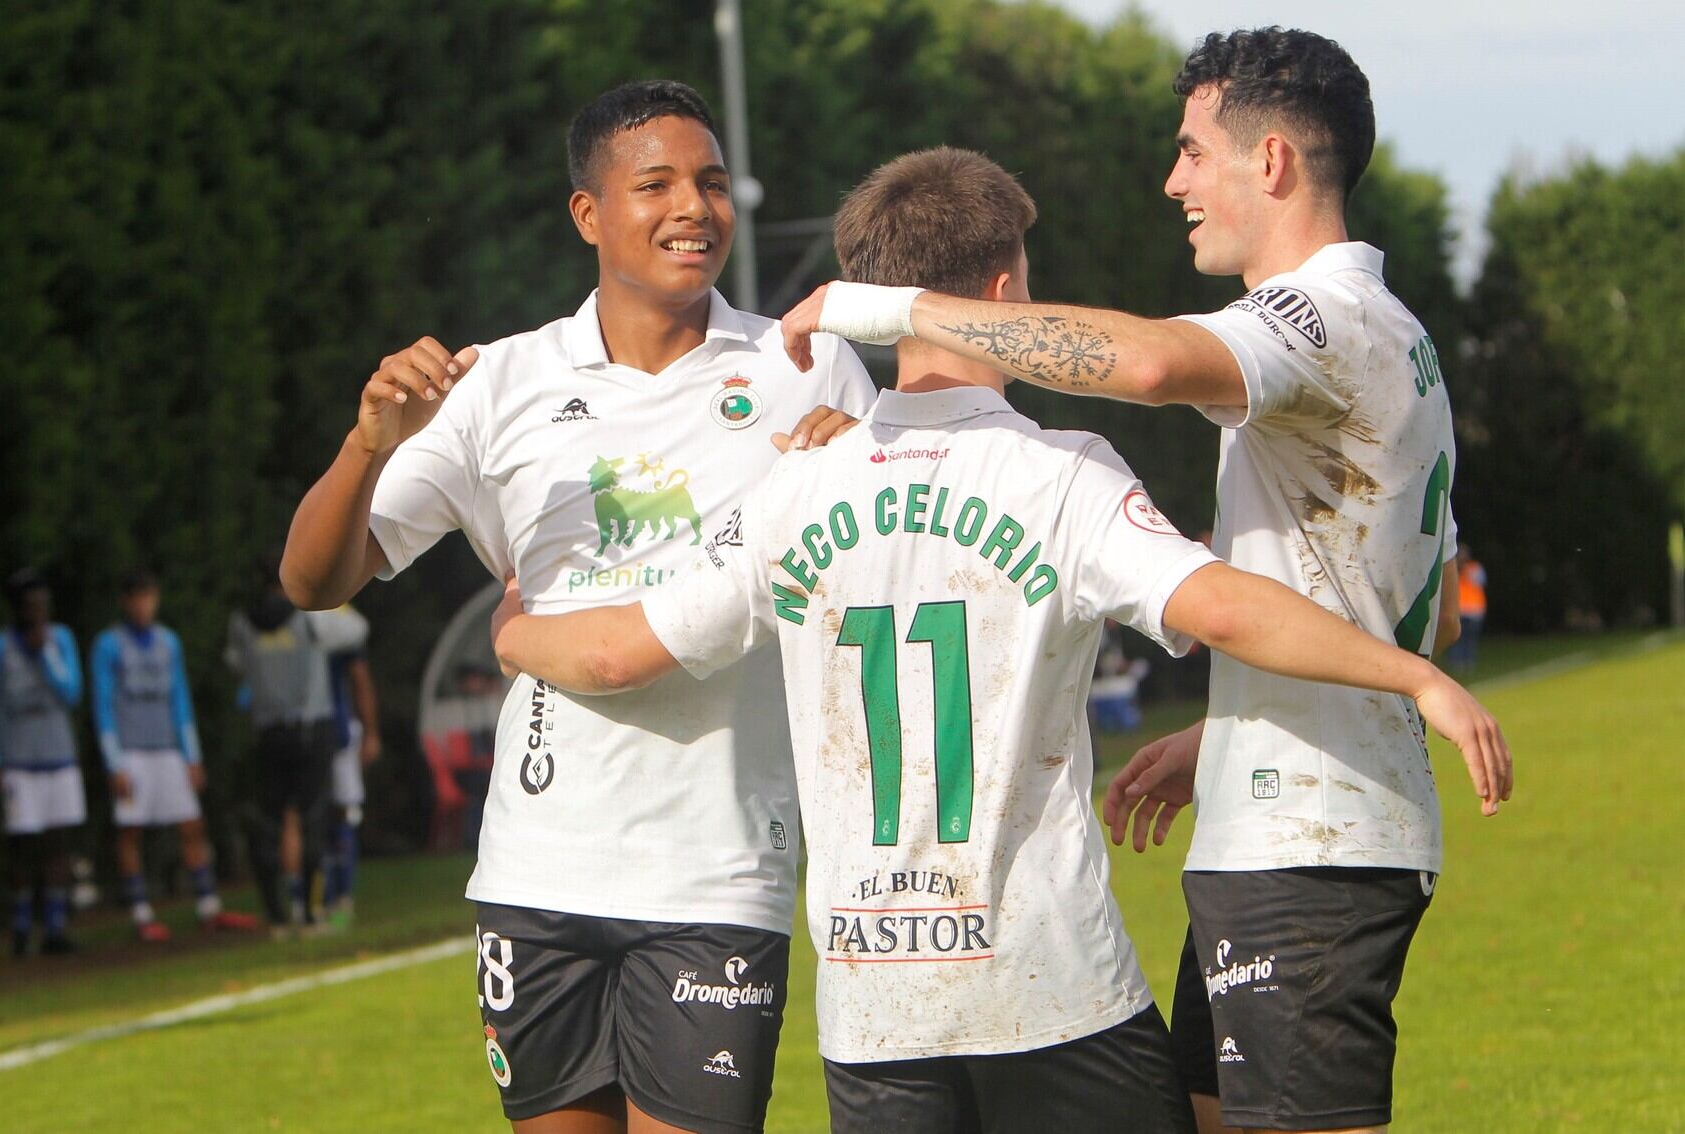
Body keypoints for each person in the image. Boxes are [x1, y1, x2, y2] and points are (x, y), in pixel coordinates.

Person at [488, 147, 1511, 1134]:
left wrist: (518, 632)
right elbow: (1223, 607)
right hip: (1051, 989)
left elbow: (615, 655)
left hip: (873, 1016)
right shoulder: (1062, 471)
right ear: (1005, 290)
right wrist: (1408, 674)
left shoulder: (790, 493)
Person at [779, 29, 1512, 1134]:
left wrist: (889, 309)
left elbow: (1153, 365)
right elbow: (1358, 574)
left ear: (1267, 163)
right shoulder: (1380, 327)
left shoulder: (1315, 317)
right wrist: (1230, 727)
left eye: (1190, 152)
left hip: (1307, 843)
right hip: (1287, 818)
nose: (1172, 181)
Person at [278, 80, 875, 1132]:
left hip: (718, 871)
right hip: (537, 869)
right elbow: (312, 579)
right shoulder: (495, 384)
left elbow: (873, 567)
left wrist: (853, 476)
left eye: (711, 182)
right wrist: (369, 441)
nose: (694, 208)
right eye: (656, 184)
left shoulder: (804, 362)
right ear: (587, 214)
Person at [91, 569, 258, 941]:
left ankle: (208, 906)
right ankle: (140, 911)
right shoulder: (108, 645)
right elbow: (102, 706)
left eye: (148, 595)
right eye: (136, 596)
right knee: (131, 831)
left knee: (191, 824)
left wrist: (191, 755)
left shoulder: (168, 642)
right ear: (125, 601)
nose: (143, 604)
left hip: (167, 749)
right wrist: (114, 762)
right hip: (132, 751)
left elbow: (180, 699)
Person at [227, 567, 367, 936]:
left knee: (271, 823)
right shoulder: (309, 618)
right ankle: (309, 912)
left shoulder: (243, 623)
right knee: (312, 820)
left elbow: (236, 663)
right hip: (310, 729)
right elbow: (356, 629)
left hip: (268, 732)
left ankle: (275, 915)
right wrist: (321, 594)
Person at [0, 569, 85, 957]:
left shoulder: (60, 640)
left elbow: (71, 692)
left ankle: (56, 927)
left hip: (59, 756)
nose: (38, 611)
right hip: (18, 762)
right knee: (22, 845)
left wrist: (44, 652)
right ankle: (21, 926)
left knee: (58, 843)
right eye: (31, 605)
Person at [322, 607, 380, 930]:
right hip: (318, 733)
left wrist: (370, 731)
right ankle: (326, 898)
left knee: (341, 815)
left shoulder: (339, 618)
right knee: (326, 818)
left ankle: (340, 897)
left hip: (338, 733)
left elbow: (360, 680)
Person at [1448, 546, 1486, 670]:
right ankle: (1457, 663)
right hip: (1460, 610)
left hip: (1474, 611)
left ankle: (1468, 661)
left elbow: (1479, 581)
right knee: (1457, 638)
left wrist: (1464, 569)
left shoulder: (1474, 568)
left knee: (1470, 639)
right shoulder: (1452, 569)